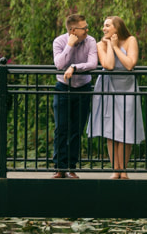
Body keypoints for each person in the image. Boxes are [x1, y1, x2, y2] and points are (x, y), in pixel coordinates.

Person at [86, 15, 145, 179]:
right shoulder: (100, 45)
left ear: (117, 27)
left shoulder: (130, 40)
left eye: (107, 25)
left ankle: (124, 169)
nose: (103, 28)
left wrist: (115, 46)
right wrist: (109, 46)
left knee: (126, 128)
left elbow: (129, 64)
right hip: (108, 87)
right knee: (111, 129)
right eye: (103, 26)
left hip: (128, 87)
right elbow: (109, 65)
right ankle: (115, 169)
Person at [51, 13, 98, 179]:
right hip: (63, 88)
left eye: (86, 27)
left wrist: (74, 67)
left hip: (83, 88)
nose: (87, 30)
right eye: (83, 28)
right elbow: (59, 65)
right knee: (61, 128)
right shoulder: (59, 42)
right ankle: (59, 167)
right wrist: (69, 46)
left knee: (77, 129)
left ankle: (71, 167)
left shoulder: (90, 41)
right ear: (72, 30)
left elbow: (93, 64)